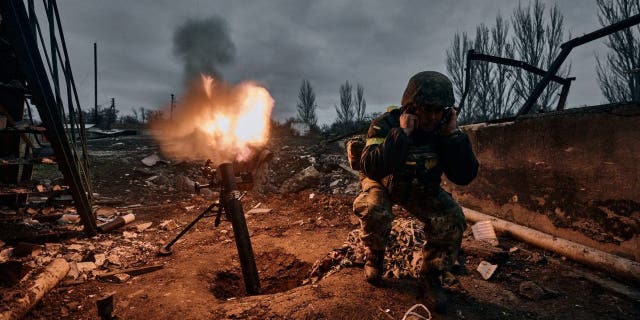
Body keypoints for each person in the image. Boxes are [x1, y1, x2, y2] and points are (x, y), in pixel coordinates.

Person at [353, 71, 478, 311]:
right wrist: (401, 135)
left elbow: (464, 176)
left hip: (419, 187)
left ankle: (431, 277)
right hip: (383, 182)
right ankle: (375, 256)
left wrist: (452, 137)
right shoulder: (385, 124)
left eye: (438, 110)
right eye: (426, 109)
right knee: (373, 208)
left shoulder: (444, 131)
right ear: (411, 108)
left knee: (451, 217)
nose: (432, 117)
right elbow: (371, 167)